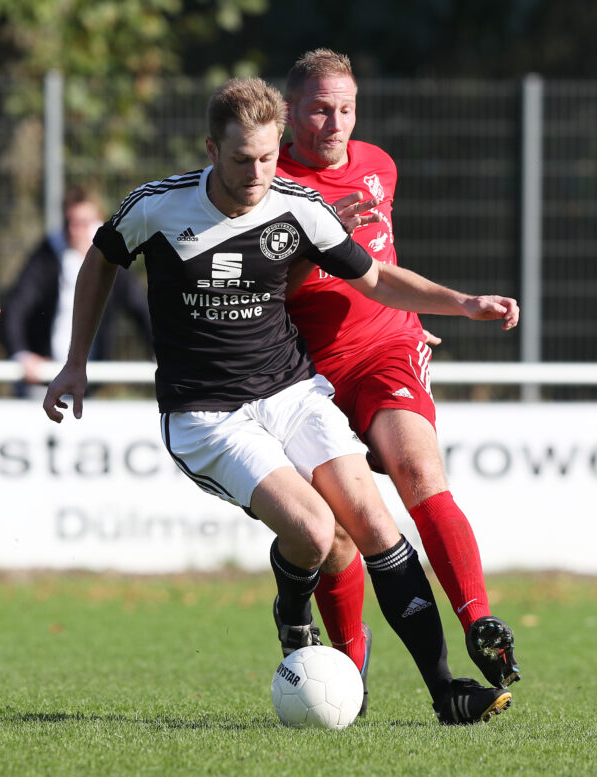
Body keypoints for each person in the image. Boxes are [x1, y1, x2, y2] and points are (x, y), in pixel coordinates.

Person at [43, 77, 520, 725]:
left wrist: (461, 303)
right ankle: (293, 610)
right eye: (242, 159)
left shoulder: (297, 206)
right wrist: (76, 362)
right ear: (212, 149)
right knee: (318, 531)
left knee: (376, 525)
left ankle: (445, 691)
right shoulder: (158, 205)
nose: (257, 174)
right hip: (208, 415)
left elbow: (376, 279)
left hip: (293, 393)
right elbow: (101, 260)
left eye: (268, 158)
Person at [275, 49, 522, 696]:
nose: (335, 123)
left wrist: (456, 303)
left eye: (347, 109)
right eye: (320, 110)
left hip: (385, 348)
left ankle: (479, 621)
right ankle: (346, 671)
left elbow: (380, 267)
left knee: (417, 468)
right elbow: (263, 293)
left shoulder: (378, 165)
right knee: (338, 533)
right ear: (289, 112)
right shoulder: (266, 183)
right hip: (305, 376)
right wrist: (319, 241)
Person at [0, 185, 151, 397]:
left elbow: (141, 307)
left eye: (83, 223)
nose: (74, 230)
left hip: (90, 382)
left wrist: (160, 352)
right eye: (69, 222)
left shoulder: (112, 258)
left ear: (99, 223)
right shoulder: (48, 256)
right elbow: (16, 306)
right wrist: (20, 353)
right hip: (45, 380)